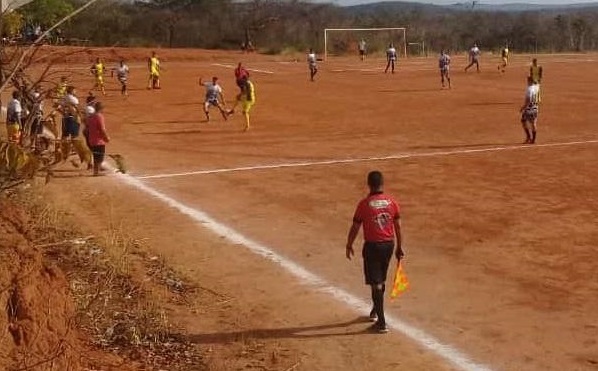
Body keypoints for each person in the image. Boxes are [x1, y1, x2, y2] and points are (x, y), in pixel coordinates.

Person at [346, 170, 403, 334]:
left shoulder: (364, 204)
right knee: (380, 279)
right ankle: (375, 309)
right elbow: (398, 226)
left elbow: (356, 226)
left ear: (369, 184)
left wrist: (349, 244)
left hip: (372, 246)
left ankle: (382, 322)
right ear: (382, 183)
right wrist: (399, 246)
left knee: (376, 283)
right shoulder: (392, 202)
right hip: (388, 245)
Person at [86, 102, 110, 176]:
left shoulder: (91, 117)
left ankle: (96, 171)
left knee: (96, 156)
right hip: (98, 140)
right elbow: (102, 129)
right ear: (101, 109)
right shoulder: (99, 116)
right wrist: (106, 137)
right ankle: (96, 172)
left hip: (91, 139)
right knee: (100, 157)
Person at [520, 77, 540, 144]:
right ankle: (533, 139)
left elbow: (528, 99)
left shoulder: (529, 89)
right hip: (535, 107)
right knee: (533, 123)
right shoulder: (536, 87)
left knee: (523, 121)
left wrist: (523, 107)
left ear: (530, 81)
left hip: (529, 108)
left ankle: (528, 137)